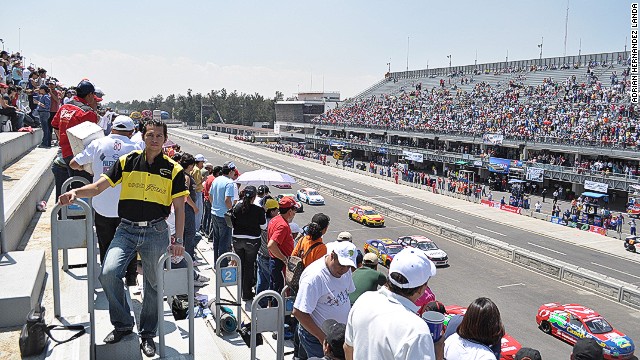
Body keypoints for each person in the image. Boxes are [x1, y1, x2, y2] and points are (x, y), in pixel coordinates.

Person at [58, 120, 188, 357]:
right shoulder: (126, 162)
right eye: (151, 135)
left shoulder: (174, 170)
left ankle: (148, 334)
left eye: (160, 135)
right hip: (126, 229)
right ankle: (123, 324)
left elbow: (180, 209)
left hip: (156, 231)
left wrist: (178, 240)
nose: (155, 139)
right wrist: (75, 192)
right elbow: (97, 188)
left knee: (154, 284)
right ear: (143, 136)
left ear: (165, 139)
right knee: (108, 273)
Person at [69, 115, 142, 286]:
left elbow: (73, 163)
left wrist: (90, 168)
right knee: (130, 245)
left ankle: (108, 277)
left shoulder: (98, 144)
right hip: (128, 207)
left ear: (112, 129)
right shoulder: (136, 146)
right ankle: (130, 278)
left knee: (106, 244)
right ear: (131, 132)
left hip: (102, 205)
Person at [344, 248, 443, 360]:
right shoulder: (416, 330)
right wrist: (438, 353)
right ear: (421, 289)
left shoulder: (364, 300)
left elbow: (348, 348)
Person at [292, 241, 357, 359]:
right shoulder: (314, 277)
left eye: (349, 266)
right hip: (317, 338)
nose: (345, 270)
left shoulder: (344, 271)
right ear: (332, 255)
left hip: (337, 337)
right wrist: (323, 339)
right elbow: (299, 312)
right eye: (341, 265)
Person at [51, 80, 101, 183]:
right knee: (81, 191)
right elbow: (92, 138)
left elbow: (55, 126)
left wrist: (63, 140)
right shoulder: (87, 112)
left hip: (64, 153)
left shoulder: (64, 107)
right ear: (90, 94)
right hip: (78, 157)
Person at [231, 185, 266, 301]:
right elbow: (263, 226)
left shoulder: (237, 207)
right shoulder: (258, 210)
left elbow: (232, 221)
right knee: (249, 266)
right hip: (252, 241)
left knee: (240, 265)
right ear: (254, 196)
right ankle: (246, 294)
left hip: (237, 239)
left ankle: (241, 290)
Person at [209, 161, 238, 267]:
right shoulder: (229, 183)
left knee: (216, 240)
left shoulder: (216, 180)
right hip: (224, 215)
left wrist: (215, 206)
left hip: (214, 213)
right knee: (224, 242)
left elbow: (210, 195)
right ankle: (223, 266)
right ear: (230, 171)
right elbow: (227, 200)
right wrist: (231, 210)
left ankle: (216, 263)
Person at [267, 196, 298, 294]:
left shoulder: (275, 219)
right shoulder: (282, 225)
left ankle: (271, 307)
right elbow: (271, 245)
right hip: (279, 263)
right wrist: (284, 259)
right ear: (290, 211)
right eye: (294, 210)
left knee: (273, 288)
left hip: (275, 262)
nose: (294, 213)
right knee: (279, 291)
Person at [256, 198, 279, 305]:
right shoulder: (273, 224)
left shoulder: (261, 220)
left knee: (261, 281)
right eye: (276, 210)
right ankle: (266, 304)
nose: (278, 212)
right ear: (272, 211)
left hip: (260, 254)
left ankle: (259, 303)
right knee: (270, 282)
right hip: (268, 257)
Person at [202, 165, 220, 237]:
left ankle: (203, 229)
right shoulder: (214, 180)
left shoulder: (209, 177)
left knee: (205, 215)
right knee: (210, 217)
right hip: (210, 199)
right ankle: (207, 231)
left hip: (206, 198)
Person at [192, 154, 206, 234]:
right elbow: (197, 183)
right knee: (198, 212)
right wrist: (203, 179)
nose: (203, 164)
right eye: (202, 162)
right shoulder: (197, 170)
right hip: (197, 192)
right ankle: (196, 229)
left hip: (194, 192)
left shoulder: (193, 168)